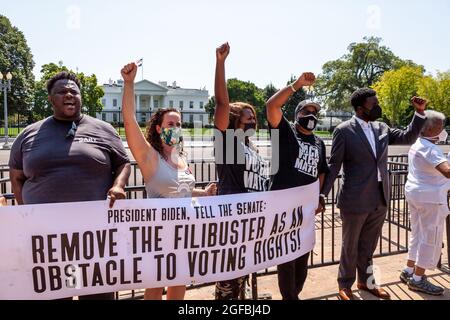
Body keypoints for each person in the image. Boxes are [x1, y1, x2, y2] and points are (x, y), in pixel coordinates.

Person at [9, 71, 131, 300]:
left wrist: (119, 185)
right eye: (62, 91)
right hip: (47, 240)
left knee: (97, 296)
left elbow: (124, 163)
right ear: (50, 99)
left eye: (74, 91)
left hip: (94, 240)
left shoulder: (103, 130)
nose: (69, 95)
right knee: (55, 295)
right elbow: (16, 178)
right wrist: (26, 212)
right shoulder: (28, 134)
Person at [120, 62, 217, 300]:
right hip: (157, 235)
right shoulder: (149, 157)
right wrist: (129, 83)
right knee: (155, 288)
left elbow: (181, 192)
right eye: (170, 124)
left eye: (179, 124)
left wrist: (203, 193)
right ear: (158, 128)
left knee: (179, 284)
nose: (176, 128)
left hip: (185, 233)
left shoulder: (182, 157)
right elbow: (130, 121)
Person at [321, 88, 427, 300]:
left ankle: (366, 282)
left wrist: (420, 113)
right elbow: (334, 165)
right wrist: (322, 195)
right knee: (350, 246)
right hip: (355, 198)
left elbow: (407, 136)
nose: (377, 107)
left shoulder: (382, 127)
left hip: (380, 197)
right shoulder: (343, 131)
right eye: (374, 103)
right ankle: (345, 285)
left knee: (369, 245)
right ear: (360, 108)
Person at [213, 42, 270, 300]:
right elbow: (222, 104)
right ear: (235, 120)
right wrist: (221, 63)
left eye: (254, 117)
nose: (253, 121)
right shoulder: (227, 141)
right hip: (230, 216)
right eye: (248, 118)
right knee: (228, 276)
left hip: (250, 216)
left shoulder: (252, 146)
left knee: (243, 272)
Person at [266, 72, 329, 300]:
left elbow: (322, 171)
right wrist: (296, 85)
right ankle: (289, 297)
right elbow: (272, 105)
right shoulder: (285, 133)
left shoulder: (319, 142)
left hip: (306, 212)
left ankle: (294, 294)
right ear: (296, 115)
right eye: (306, 112)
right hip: (283, 210)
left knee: (303, 257)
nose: (311, 116)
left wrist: (320, 196)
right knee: (286, 257)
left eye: (314, 113)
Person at [400, 110, 449, 295]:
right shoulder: (430, 148)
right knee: (431, 238)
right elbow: (447, 171)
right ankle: (418, 279)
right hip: (430, 198)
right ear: (429, 129)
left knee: (418, 234)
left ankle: (409, 270)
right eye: (440, 126)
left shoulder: (417, 144)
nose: (443, 129)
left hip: (416, 194)